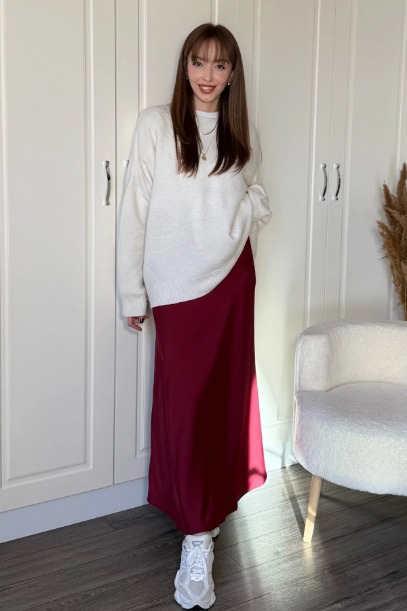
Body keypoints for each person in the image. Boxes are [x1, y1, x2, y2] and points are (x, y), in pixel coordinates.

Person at [118, 22, 271, 610]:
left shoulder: (242, 130)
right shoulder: (156, 125)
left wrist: (248, 211)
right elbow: (135, 210)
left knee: (224, 404)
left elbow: (254, 191)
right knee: (184, 410)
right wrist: (133, 294)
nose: (209, 75)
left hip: (232, 281)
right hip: (178, 291)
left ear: (233, 75)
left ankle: (204, 530)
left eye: (220, 65)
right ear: (185, 67)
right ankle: (195, 531)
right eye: (199, 62)